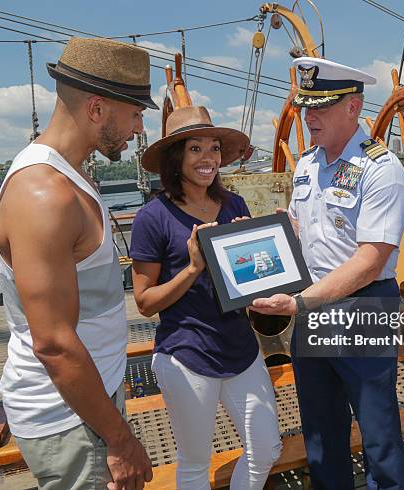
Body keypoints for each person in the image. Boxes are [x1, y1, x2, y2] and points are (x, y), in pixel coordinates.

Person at [0, 37, 158, 490]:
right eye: (135, 113)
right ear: (98, 109)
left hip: (89, 403)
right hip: (69, 418)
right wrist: (121, 440)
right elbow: (54, 344)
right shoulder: (44, 194)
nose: (139, 128)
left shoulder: (70, 177)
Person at [251, 57, 404, 489]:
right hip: (313, 305)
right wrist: (252, 239)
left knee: (378, 434)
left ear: (353, 108)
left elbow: (370, 261)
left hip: (361, 306)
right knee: (321, 432)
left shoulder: (382, 171)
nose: (309, 117)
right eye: (306, 106)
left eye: (320, 107)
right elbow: (299, 228)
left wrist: (301, 303)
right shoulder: (306, 164)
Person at [130, 106, 282, 490]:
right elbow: (145, 303)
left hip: (241, 347)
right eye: (195, 149)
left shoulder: (234, 205)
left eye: (213, 148)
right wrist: (193, 267)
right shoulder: (153, 217)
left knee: (266, 448)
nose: (208, 158)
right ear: (175, 158)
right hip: (187, 353)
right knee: (195, 463)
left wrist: (265, 252)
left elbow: (248, 283)